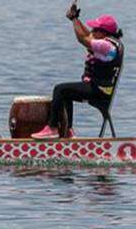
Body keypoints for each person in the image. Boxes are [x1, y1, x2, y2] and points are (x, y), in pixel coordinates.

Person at [32, 10, 123, 139]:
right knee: (66, 93)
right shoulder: (110, 43)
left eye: (95, 29)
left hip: (98, 91)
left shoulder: (105, 46)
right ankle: (68, 131)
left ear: (103, 32)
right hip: (99, 89)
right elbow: (88, 35)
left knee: (59, 89)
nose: (92, 31)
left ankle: (52, 128)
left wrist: (74, 20)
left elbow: (82, 38)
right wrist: (75, 18)